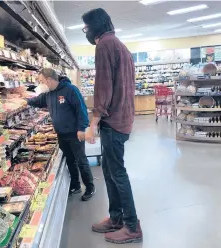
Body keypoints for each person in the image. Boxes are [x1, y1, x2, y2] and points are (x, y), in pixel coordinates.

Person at [82, 8, 143, 244]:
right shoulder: (119, 45)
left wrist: (93, 122)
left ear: (95, 26)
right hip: (122, 118)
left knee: (117, 173)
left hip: (113, 122)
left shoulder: (105, 45)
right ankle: (116, 217)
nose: (86, 32)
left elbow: (104, 87)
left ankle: (132, 226)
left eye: (86, 27)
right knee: (108, 170)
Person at [27, 68, 95, 201]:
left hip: (74, 134)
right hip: (61, 134)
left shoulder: (70, 90)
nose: (40, 84)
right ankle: (76, 185)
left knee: (81, 161)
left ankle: (90, 187)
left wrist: (82, 129)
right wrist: (24, 100)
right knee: (70, 161)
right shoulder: (48, 94)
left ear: (48, 80)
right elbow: (36, 101)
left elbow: (81, 110)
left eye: (41, 81)